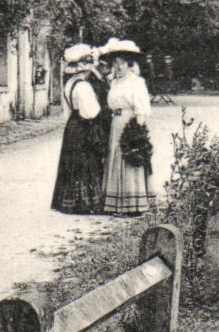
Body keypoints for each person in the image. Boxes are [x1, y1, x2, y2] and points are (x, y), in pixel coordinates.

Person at [98, 38, 156, 216]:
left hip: (129, 122)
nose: (119, 67)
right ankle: (115, 203)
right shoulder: (114, 82)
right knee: (115, 158)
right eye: (115, 63)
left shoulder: (136, 82)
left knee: (130, 156)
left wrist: (138, 130)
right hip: (116, 123)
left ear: (129, 64)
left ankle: (134, 203)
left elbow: (142, 109)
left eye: (122, 63)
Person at [50, 43, 111, 214]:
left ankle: (69, 201)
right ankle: (86, 203)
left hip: (73, 125)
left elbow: (67, 111)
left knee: (72, 163)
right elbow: (91, 112)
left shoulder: (69, 84)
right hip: (85, 126)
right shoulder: (84, 86)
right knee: (86, 163)